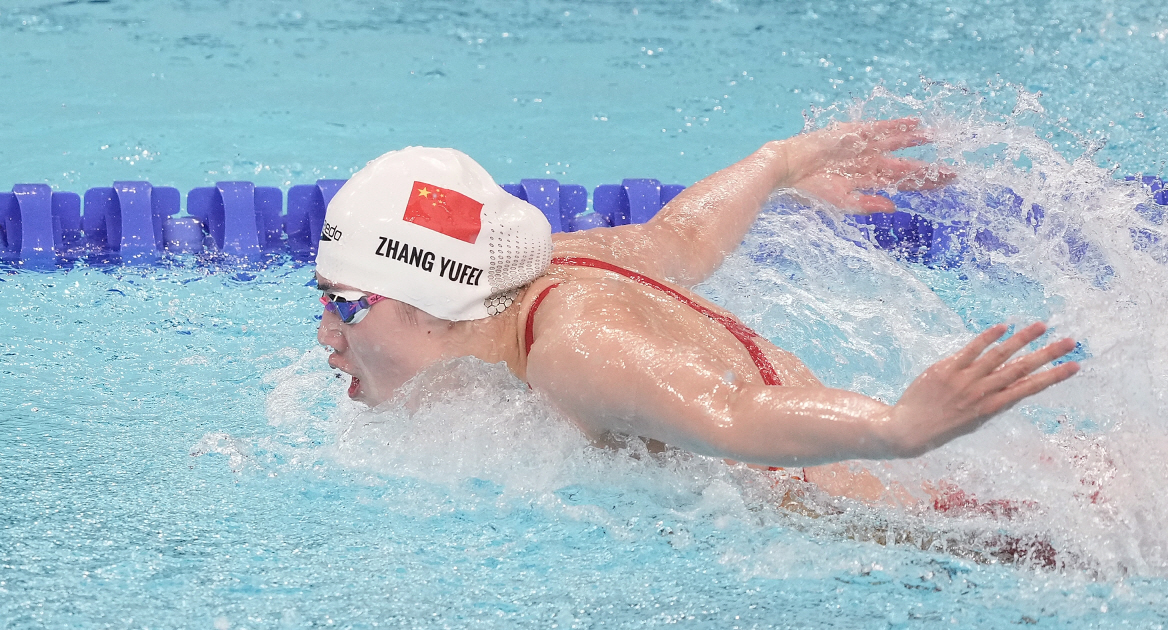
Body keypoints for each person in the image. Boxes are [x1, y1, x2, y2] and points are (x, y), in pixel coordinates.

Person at [313, 126, 1079, 507]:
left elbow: (731, 414)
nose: (326, 336)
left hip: (920, 522)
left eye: (346, 306)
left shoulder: (574, 349)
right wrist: (780, 163)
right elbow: (674, 239)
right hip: (944, 491)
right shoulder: (547, 272)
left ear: (437, 296)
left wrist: (897, 428)